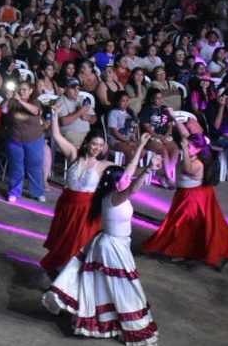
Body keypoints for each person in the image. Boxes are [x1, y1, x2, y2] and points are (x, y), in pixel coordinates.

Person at [42, 157, 163, 346]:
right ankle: (126, 325)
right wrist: (148, 169)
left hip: (115, 244)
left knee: (108, 286)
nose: (127, 178)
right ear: (116, 182)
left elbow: (129, 175)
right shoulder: (114, 198)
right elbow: (132, 188)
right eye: (124, 178)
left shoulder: (111, 194)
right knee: (124, 288)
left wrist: (142, 146)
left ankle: (111, 321)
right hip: (112, 246)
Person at [42, 119, 150, 278]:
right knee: (60, 241)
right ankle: (57, 273)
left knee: (76, 246)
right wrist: (55, 114)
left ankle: (68, 280)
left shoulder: (103, 165)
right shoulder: (73, 154)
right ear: (86, 143)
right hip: (66, 206)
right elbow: (57, 135)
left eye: (100, 146)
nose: (97, 149)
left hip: (85, 211)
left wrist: (140, 146)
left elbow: (128, 172)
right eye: (94, 144)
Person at [142, 119, 228, 270]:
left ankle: (181, 252)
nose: (186, 147)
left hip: (192, 197)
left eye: (190, 146)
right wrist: (173, 117)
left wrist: (184, 150)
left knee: (182, 225)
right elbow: (184, 133)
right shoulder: (195, 151)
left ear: (198, 150)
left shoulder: (197, 164)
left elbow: (186, 169)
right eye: (187, 145)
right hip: (188, 194)